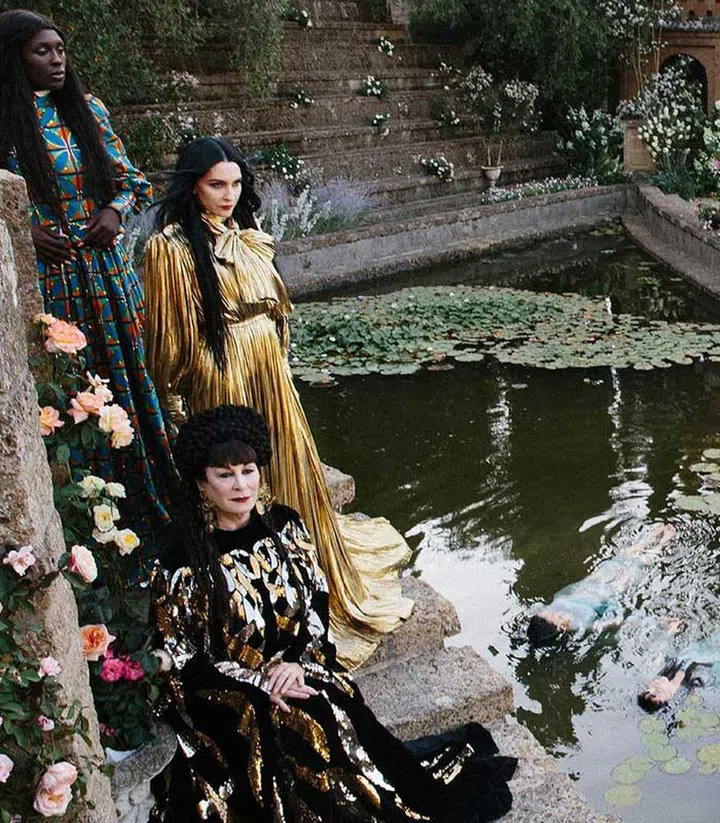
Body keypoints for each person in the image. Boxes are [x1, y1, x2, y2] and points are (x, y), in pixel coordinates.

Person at [150, 404, 516, 822]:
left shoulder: (285, 526)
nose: (240, 486)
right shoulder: (185, 557)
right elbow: (180, 651)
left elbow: (315, 605)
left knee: (332, 706)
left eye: (248, 471)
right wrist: (259, 683)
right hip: (232, 691)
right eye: (225, 474)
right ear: (202, 482)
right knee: (302, 724)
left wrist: (295, 663)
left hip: (297, 667)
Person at [143, 136, 412, 668]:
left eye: (236, 183)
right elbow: (168, 339)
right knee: (238, 472)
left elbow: (277, 308)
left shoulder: (251, 236)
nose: (228, 194)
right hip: (220, 370)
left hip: (269, 366)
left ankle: (303, 573)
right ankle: (245, 595)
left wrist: (280, 359)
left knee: (287, 463)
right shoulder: (170, 248)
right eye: (216, 184)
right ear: (192, 185)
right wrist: (175, 399)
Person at [0, 9, 174, 550]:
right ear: (13, 59)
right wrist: (24, 228)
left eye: (59, 50)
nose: (56, 60)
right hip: (50, 284)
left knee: (125, 382)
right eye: (41, 51)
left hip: (106, 275)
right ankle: (88, 525)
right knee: (71, 397)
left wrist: (115, 213)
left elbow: (134, 182)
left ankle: (154, 507)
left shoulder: (86, 109)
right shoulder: (3, 120)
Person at [527, 524, 676, 646]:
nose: (553, 611)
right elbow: (615, 622)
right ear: (559, 628)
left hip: (592, 582)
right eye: (553, 616)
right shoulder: (579, 625)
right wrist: (656, 621)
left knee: (623, 557)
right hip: (611, 592)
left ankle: (648, 538)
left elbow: (569, 592)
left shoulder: (545, 613)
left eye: (548, 611)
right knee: (637, 564)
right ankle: (663, 542)